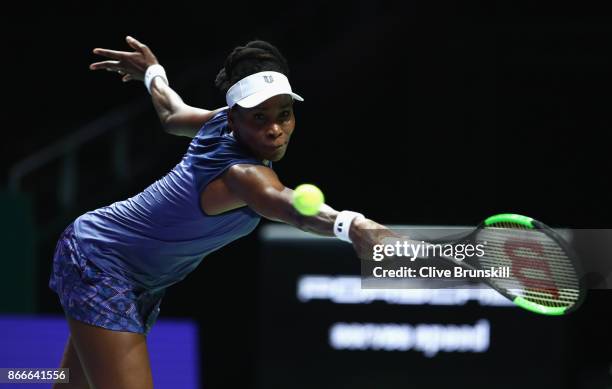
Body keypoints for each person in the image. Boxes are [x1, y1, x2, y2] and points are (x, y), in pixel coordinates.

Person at [49, 36, 391, 389]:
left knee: (75, 383)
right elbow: (291, 208)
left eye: (283, 115)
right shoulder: (245, 176)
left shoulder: (219, 125)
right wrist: (352, 225)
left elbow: (172, 114)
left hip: (134, 274)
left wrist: (152, 73)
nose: (274, 130)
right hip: (101, 260)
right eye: (259, 118)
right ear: (234, 119)